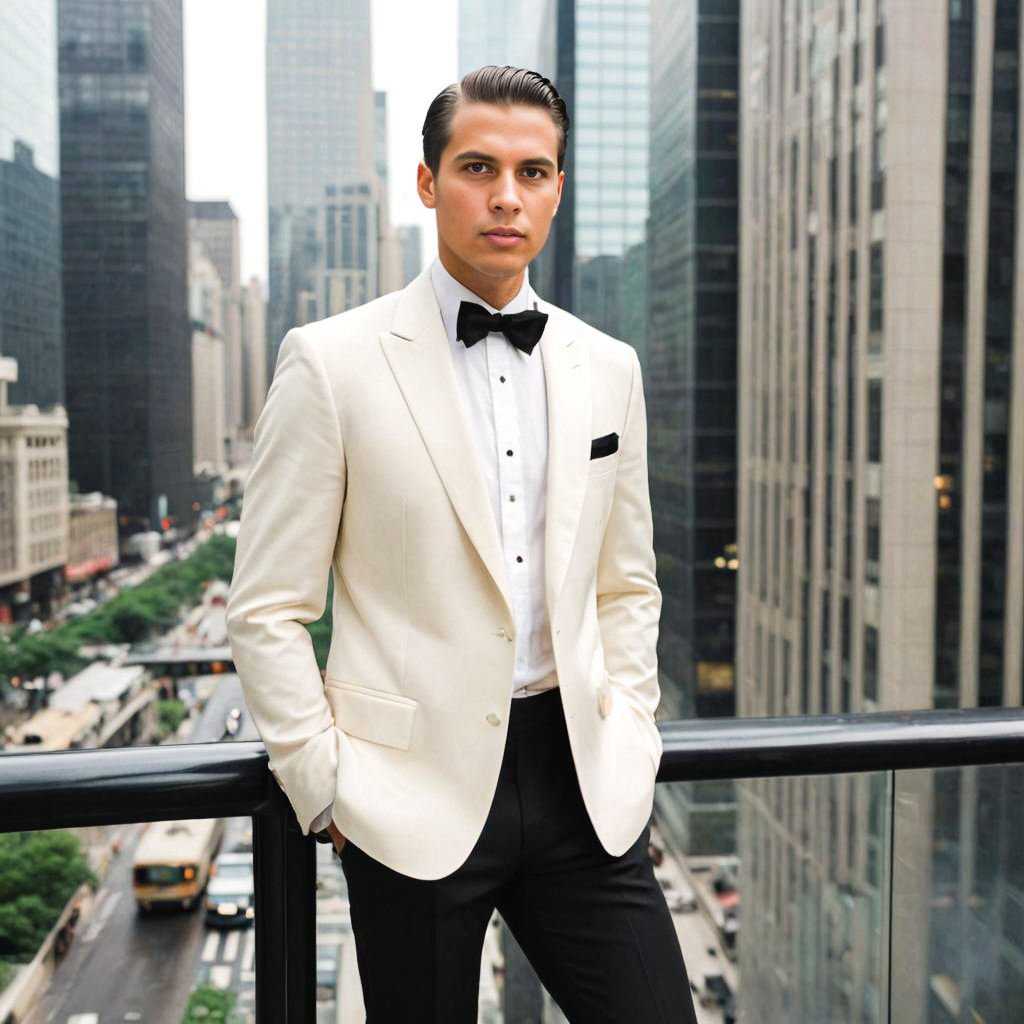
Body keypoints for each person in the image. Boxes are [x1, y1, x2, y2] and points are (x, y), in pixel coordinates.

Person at [226, 65, 697, 1023]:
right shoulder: (330, 361)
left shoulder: (610, 367)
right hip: (406, 797)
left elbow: (627, 585)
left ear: (558, 189)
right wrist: (325, 788)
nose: (506, 196)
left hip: (582, 784)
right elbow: (268, 606)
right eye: (479, 166)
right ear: (428, 181)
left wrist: (633, 731)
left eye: (534, 172)